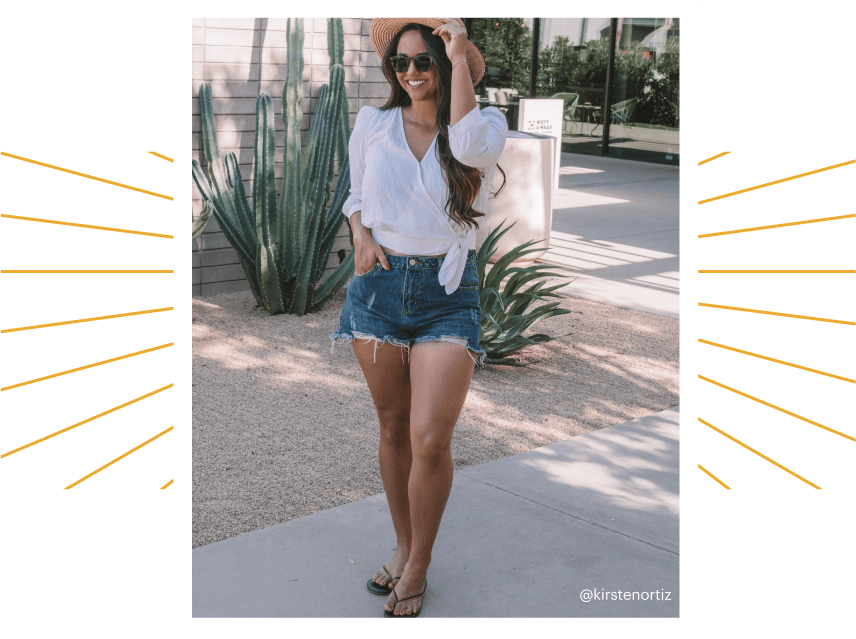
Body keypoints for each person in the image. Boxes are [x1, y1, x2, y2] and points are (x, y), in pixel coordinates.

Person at [329, 18, 508, 617]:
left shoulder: (480, 130)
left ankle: (421, 565)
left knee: (430, 438)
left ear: (445, 65)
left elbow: (471, 138)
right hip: (379, 288)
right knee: (391, 426)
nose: (410, 74)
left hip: (447, 292)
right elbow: (356, 196)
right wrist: (360, 234)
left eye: (424, 62)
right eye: (401, 63)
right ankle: (404, 548)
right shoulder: (372, 124)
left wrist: (459, 52)